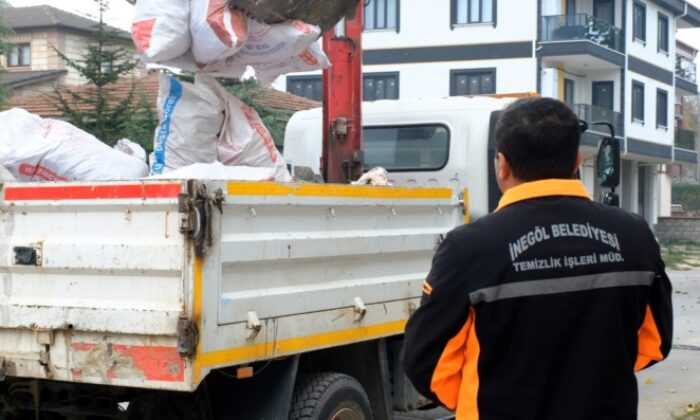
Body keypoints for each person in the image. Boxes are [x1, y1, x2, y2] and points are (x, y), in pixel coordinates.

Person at [402, 97, 672, 420]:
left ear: (501, 164)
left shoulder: (468, 249)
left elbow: (427, 367)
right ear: (576, 161)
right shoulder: (634, 237)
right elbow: (654, 342)